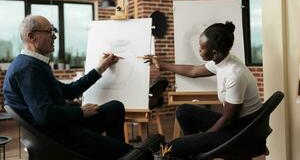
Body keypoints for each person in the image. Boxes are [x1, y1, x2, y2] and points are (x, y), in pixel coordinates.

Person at [3, 15, 133, 160]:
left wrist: (101, 68)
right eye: (50, 32)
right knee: (133, 153)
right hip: (60, 137)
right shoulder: (28, 69)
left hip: (63, 125)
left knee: (115, 107)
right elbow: (45, 116)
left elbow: (69, 91)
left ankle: (115, 155)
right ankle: (119, 154)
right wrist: (80, 112)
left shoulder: (33, 64)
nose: (55, 37)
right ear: (32, 37)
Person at [144, 22, 264, 159]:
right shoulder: (222, 60)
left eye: (201, 48)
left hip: (243, 133)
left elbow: (228, 120)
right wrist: (162, 65)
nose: (199, 50)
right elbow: (193, 71)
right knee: (184, 111)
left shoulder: (234, 74)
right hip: (236, 124)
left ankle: (194, 150)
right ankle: (195, 153)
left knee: (176, 146)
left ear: (214, 52)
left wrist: (200, 139)